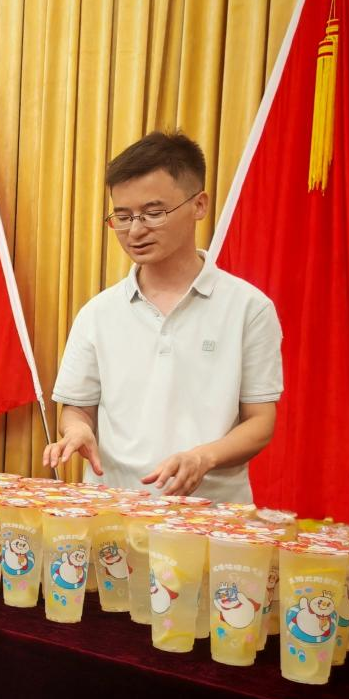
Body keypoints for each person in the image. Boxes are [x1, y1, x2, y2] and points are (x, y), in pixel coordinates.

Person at [44, 131, 283, 501]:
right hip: (114, 510)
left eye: (153, 213)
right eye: (122, 217)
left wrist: (203, 457)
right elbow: (77, 408)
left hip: (209, 513)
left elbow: (260, 422)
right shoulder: (98, 312)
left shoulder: (249, 308)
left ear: (199, 205)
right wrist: (77, 430)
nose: (135, 230)